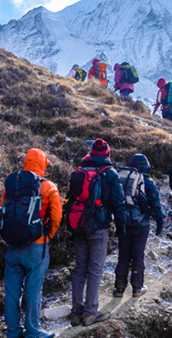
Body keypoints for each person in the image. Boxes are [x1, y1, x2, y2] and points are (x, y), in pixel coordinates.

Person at [0, 148, 61, 338]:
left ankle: (13, 331)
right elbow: (57, 216)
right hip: (37, 246)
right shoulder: (48, 186)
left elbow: (1, 210)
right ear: (43, 164)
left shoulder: (11, 185)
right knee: (33, 290)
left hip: (12, 245)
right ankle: (33, 331)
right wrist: (48, 236)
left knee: (11, 290)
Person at [67, 139, 126, 327]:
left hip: (79, 225)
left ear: (91, 153)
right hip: (99, 227)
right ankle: (91, 313)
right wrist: (121, 227)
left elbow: (70, 200)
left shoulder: (80, 172)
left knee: (79, 269)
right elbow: (118, 202)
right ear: (108, 154)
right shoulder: (109, 173)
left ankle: (76, 313)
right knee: (95, 269)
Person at [114, 154, 164, 298]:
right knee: (138, 254)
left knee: (123, 255)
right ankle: (137, 287)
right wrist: (159, 223)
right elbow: (155, 205)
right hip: (141, 224)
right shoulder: (147, 182)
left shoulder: (121, 180)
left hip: (123, 222)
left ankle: (119, 288)